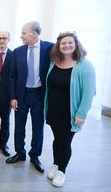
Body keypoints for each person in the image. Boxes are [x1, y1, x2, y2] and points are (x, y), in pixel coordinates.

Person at [44, 32, 96, 187]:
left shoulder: (85, 65)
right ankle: (56, 164)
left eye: (70, 43)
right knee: (57, 139)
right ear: (58, 46)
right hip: (53, 110)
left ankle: (62, 171)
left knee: (64, 141)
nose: (66, 45)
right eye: (63, 43)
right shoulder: (55, 62)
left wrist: (81, 113)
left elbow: (89, 92)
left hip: (70, 113)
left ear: (76, 45)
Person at [7, 21, 54, 174]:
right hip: (21, 95)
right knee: (19, 126)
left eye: (23, 33)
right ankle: (20, 153)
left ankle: (35, 155)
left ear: (34, 34)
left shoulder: (50, 48)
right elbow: (12, 76)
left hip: (39, 95)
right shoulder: (18, 51)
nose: (21, 36)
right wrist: (13, 97)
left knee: (37, 127)